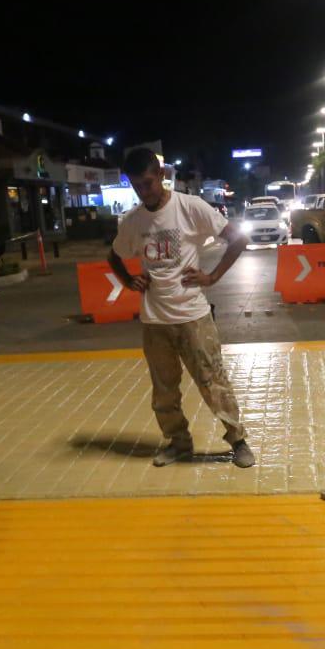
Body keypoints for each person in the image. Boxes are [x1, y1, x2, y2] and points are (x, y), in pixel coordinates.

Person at [107, 147, 256, 469]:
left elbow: (238, 239)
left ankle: (238, 440)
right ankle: (178, 442)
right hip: (155, 321)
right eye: (136, 186)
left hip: (193, 317)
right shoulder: (133, 221)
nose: (142, 191)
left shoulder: (190, 208)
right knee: (164, 392)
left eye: (147, 183)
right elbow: (114, 255)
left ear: (162, 175)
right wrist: (128, 279)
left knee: (213, 382)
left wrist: (212, 276)